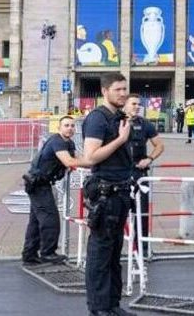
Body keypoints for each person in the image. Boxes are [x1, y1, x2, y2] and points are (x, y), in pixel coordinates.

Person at [79, 72, 135, 316]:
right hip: (106, 193)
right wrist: (120, 140)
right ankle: (99, 308)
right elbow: (90, 157)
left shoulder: (121, 117)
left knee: (114, 253)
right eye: (118, 89)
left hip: (121, 191)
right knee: (100, 253)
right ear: (105, 91)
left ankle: (112, 305)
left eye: (125, 89)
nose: (123, 93)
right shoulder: (97, 119)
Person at [22, 115, 79, 265]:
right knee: (50, 218)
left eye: (72, 126)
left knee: (35, 222)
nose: (70, 128)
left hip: (41, 184)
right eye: (66, 125)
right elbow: (69, 161)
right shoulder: (57, 142)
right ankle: (48, 252)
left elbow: (74, 160)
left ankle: (29, 255)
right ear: (59, 128)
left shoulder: (69, 143)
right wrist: (93, 163)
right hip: (38, 184)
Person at [123, 94, 164, 254]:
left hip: (139, 173)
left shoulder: (145, 124)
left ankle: (142, 248)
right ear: (125, 105)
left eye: (138, 104)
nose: (136, 107)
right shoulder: (116, 122)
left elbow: (159, 145)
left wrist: (149, 158)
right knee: (117, 212)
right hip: (121, 173)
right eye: (133, 104)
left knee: (142, 212)